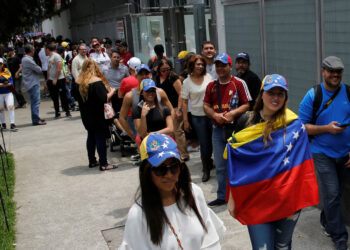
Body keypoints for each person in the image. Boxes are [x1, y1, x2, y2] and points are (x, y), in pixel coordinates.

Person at [227, 74, 319, 250]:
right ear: (262, 94)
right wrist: (232, 197)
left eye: (280, 94)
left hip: (287, 201)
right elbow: (235, 163)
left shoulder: (294, 125)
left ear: (285, 97)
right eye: (271, 93)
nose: (275, 98)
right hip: (256, 201)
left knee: (283, 246)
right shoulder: (245, 121)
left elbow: (303, 166)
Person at [119, 133, 226, 249]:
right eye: (160, 169)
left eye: (174, 167)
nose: (169, 175)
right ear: (146, 172)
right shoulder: (138, 214)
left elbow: (210, 239)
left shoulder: (194, 192)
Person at [299, 56, 350, 250]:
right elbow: (302, 127)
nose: (335, 75)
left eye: (339, 72)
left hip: (345, 154)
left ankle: (327, 220)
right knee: (332, 193)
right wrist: (326, 129)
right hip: (322, 153)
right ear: (323, 71)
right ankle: (340, 237)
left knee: (333, 196)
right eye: (331, 71)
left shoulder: (349, 92)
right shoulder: (313, 95)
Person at [203, 53, 251, 207]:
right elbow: (205, 106)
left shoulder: (239, 83)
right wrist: (214, 115)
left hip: (237, 130)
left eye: (223, 65)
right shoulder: (211, 86)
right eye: (217, 65)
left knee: (240, 164)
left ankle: (243, 196)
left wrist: (233, 114)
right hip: (218, 130)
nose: (220, 68)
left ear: (230, 67)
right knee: (220, 165)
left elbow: (247, 104)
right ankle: (222, 196)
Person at [75, 59, 117, 171]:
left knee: (90, 136)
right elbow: (104, 98)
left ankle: (92, 160)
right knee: (100, 137)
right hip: (98, 115)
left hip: (85, 115)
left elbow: (74, 96)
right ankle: (103, 163)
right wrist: (112, 92)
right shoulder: (96, 81)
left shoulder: (78, 80)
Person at [119, 64, 174, 146]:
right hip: (143, 135)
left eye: (146, 74)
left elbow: (171, 110)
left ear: (150, 75)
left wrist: (168, 126)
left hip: (162, 134)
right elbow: (122, 117)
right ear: (136, 76)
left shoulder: (160, 92)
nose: (144, 76)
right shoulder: (130, 96)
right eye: (141, 74)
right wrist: (133, 136)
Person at [182, 54, 214, 182]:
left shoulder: (209, 77)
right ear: (192, 66)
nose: (200, 66)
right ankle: (206, 169)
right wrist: (185, 120)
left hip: (211, 114)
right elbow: (184, 102)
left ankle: (211, 162)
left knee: (214, 141)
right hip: (198, 117)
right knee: (204, 143)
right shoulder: (187, 81)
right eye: (198, 64)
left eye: (202, 64)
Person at [155, 59, 189, 161]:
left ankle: (183, 154)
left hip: (174, 107)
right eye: (163, 70)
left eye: (168, 69)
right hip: (163, 109)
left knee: (178, 131)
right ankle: (173, 153)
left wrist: (179, 109)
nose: (166, 72)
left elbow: (181, 94)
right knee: (169, 132)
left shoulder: (173, 78)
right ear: (159, 70)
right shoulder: (157, 78)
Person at [21, 45, 46, 126]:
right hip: (32, 83)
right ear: (31, 51)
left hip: (30, 83)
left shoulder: (25, 59)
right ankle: (35, 119)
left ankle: (36, 117)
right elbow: (38, 69)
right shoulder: (28, 60)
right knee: (36, 102)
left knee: (34, 102)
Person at [46, 43, 71, 118]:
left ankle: (67, 111)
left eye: (45, 50)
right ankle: (57, 112)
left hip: (59, 79)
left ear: (47, 49)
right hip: (51, 79)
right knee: (54, 97)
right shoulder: (49, 57)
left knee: (63, 95)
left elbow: (59, 68)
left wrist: (55, 78)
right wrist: (47, 80)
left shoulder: (56, 56)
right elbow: (49, 69)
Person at [0, 58, 17, 131]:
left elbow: (11, 83)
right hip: (0, 93)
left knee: (10, 107)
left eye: (0, 64)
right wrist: (3, 84)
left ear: (2, 64)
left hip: (8, 93)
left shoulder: (7, 72)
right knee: (0, 109)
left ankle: (12, 123)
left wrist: (5, 84)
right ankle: (3, 123)